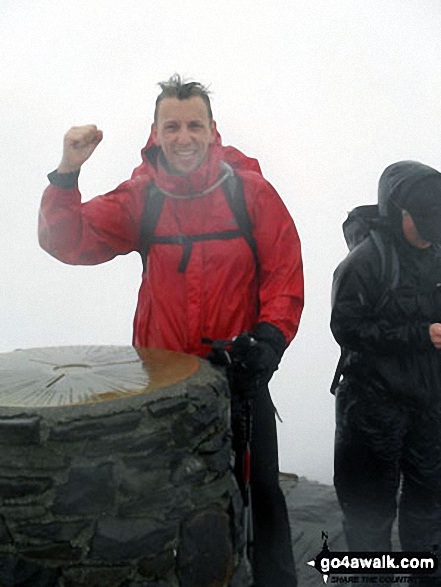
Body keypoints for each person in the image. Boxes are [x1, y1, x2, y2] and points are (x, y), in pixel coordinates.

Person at [38, 74, 304, 587]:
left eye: (194, 125)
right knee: (169, 494)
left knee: (261, 492)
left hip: (240, 376)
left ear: (212, 130)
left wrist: (270, 339)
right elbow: (67, 241)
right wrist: (67, 173)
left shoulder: (251, 193)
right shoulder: (143, 198)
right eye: (173, 126)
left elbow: (284, 273)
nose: (184, 137)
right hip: (164, 384)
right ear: (155, 133)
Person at [331, 161, 441, 584]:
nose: (431, 232)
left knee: (429, 512)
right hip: (371, 407)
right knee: (368, 519)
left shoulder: (436, 250)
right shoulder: (365, 263)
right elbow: (346, 328)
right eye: (424, 222)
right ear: (399, 213)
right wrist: (420, 334)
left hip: (429, 405)